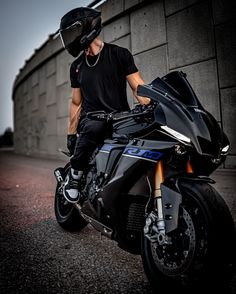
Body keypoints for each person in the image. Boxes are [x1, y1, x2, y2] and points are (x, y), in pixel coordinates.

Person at [59, 7, 150, 203]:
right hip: (92, 119)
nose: (69, 39)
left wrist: (152, 106)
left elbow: (138, 87)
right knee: (95, 126)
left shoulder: (119, 54)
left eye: (71, 33)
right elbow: (76, 103)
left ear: (86, 27)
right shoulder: (77, 67)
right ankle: (74, 177)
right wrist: (71, 133)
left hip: (120, 118)